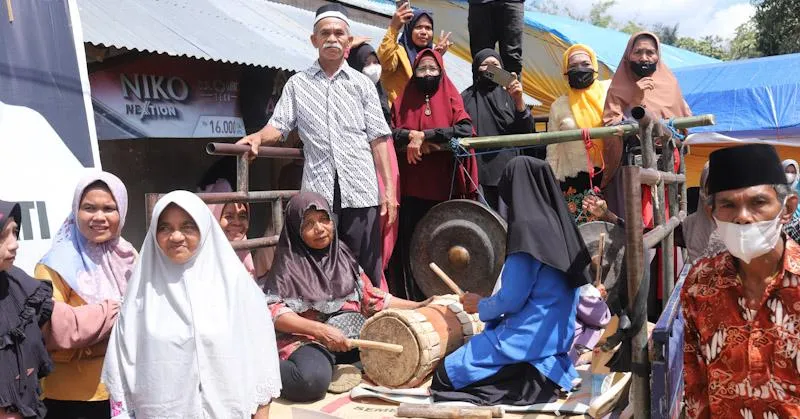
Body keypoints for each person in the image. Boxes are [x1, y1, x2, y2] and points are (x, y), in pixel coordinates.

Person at [237, 4, 396, 289]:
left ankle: (370, 323)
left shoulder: (362, 84)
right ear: (314, 40)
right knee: (321, 264)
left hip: (361, 190)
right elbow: (280, 125)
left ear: (349, 41)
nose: (332, 38)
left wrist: (390, 192)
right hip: (319, 192)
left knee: (365, 267)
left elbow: (379, 139)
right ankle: (331, 324)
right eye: (325, 33)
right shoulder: (298, 84)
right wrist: (258, 137)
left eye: (339, 33)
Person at [102, 191, 281, 418]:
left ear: (205, 228)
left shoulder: (237, 288)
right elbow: (120, 374)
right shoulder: (140, 296)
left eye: (187, 226)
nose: (176, 236)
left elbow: (262, 358)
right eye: (165, 228)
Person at [430, 156, 592, 406]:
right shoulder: (560, 225)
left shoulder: (527, 230)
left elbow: (512, 299)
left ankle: (526, 381)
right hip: (554, 340)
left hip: (525, 340)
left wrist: (480, 305)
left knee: (444, 377)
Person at [263, 192, 430, 402]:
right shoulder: (288, 265)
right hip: (312, 341)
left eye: (324, 219)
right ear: (296, 229)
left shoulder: (342, 254)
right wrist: (321, 331)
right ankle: (260, 367)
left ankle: (341, 365)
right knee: (310, 383)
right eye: (309, 223)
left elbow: (372, 299)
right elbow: (274, 313)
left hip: (352, 339)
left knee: (400, 357)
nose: (320, 228)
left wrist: (421, 305)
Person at [682, 144, 800, 418]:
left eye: (758, 202)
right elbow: (695, 379)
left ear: (787, 208)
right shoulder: (701, 283)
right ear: (713, 214)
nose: (743, 217)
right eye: (728, 205)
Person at [34, 172, 135, 419]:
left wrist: (90, 327)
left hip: (122, 389)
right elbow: (57, 328)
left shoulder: (129, 256)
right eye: (89, 208)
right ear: (75, 210)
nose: (99, 217)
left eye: (109, 208)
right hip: (70, 396)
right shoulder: (54, 264)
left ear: (121, 211)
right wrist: (117, 310)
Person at [390, 48, 477, 300]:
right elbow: (391, 131)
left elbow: (464, 128)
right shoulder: (403, 97)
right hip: (411, 190)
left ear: (441, 71)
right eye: (421, 69)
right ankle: (415, 300)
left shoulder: (450, 94)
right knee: (415, 247)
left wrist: (425, 136)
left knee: (447, 245)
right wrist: (410, 137)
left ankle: (450, 299)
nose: (427, 73)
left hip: (444, 189)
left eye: (432, 69)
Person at [601, 31, 691, 220]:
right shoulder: (619, 87)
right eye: (638, 52)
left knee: (666, 221)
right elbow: (610, 124)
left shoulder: (670, 83)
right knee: (635, 222)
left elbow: (683, 125)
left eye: (650, 52)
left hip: (666, 162)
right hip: (632, 166)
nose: (644, 58)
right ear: (628, 55)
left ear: (658, 55)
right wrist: (635, 97)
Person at [347, 42, 400, 290]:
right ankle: (369, 286)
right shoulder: (348, 92)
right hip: (364, 163)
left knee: (388, 222)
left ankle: (379, 281)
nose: (373, 68)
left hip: (386, 161)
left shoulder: (383, 95)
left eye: (375, 61)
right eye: (366, 62)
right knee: (368, 224)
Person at [462, 48, 533, 217]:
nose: (490, 68)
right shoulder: (464, 98)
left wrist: (518, 100)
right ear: (475, 69)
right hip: (477, 176)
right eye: (484, 64)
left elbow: (527, 131)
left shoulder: (511, 95)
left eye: (495, 64)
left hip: (508, 174)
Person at [0, 201, 53, 419]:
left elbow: (64, 323)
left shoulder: (19, 286)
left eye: (15, 232)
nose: (14, 244)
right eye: (3, 235)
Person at [547, 44, 611, 195]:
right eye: (573, 65)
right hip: (573, 179)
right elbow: (553, 150)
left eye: (585, 64)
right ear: (566, 71)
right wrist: (551, 182)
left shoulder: (609, 92)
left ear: (594, 66)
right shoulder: (558, 105)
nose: (580, 68)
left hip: (609, 173)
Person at [377, 5, 452, 105]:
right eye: (418, 27)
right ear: (409, 30)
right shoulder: (398, 51)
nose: (424, 32)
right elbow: (383, 63)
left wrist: (435, 58)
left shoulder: (429, 57)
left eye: (428, 28)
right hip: (395, 116)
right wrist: (393, 28)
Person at [467, 0, 524, 77]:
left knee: (512, 58)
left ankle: (507, 86)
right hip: (481, 3)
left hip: (512, 2)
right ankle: (486, 87)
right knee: (482, 58)